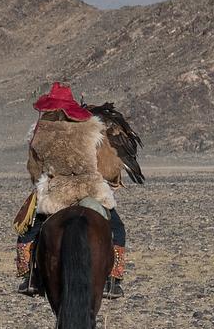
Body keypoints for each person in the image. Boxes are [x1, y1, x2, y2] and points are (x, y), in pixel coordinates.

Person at [15, 82, 129, 297]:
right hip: (91, 191)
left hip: (56, 193)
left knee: (29, 231)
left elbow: (34, 169)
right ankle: (113, 281)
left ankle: (29, 277)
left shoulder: (40, 132)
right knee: (117, 229)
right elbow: (109, 167)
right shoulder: (93, 129)